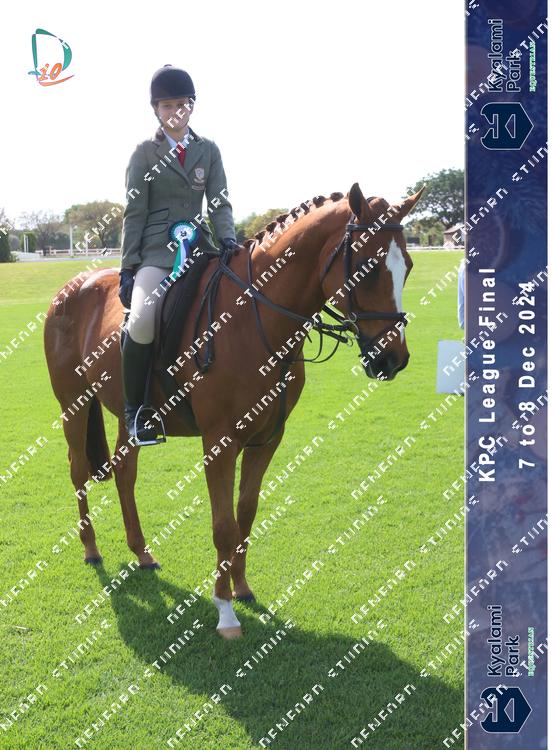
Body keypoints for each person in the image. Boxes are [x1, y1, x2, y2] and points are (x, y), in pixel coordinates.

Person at [119, 64, 237, 443]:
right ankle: (136, 411)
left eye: (181, 104)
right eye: (167, 105)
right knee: (141, 320)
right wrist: (128, 267)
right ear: (156, 109)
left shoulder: (208, 150)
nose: (175, 111)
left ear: (191, 106)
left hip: (202, 250)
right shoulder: (143, 154)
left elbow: (219, 202)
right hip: (156, 254)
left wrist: (228, 240)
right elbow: (134, 214)